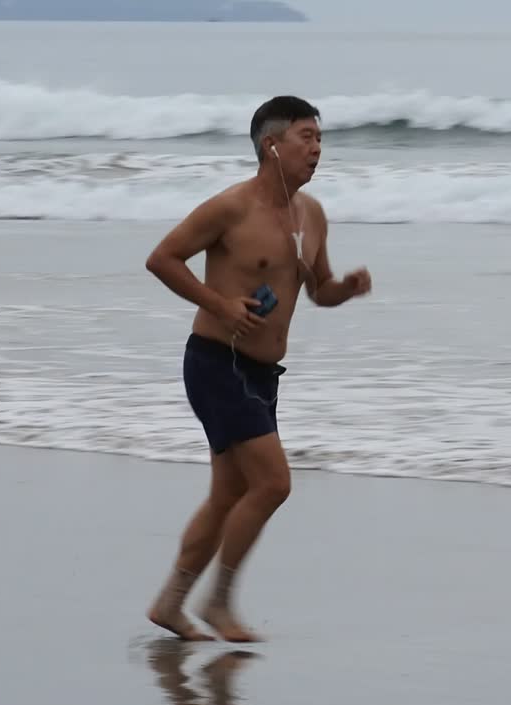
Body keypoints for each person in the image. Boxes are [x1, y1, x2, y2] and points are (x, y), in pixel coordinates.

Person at [143, 95, 372, 642]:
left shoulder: (310, 214)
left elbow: (318, 290)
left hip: (263, 375)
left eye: (320, 138)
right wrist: (220, 304)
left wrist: (346, 290)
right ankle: (217, 601)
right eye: (305, 138)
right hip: (215, 362)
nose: (317, 149)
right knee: (272, 483)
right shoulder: (232, 207)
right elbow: (162, 259)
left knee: (227, 495)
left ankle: (170, 604)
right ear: (271, 145)